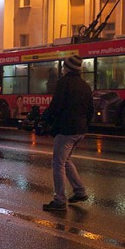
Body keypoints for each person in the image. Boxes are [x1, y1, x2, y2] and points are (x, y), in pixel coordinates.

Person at [41, 54, 94, 212]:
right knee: (66, 160)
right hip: (80, 130)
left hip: (67, 129)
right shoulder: (85, 85)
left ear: (68, 68)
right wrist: (85, 126)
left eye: (64, 66)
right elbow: (90, 109)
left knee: (58, 163)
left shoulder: (64, 83)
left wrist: (45, 119)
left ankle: (59, 200)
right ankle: (80, 191)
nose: (63, 69)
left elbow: (56, 106)